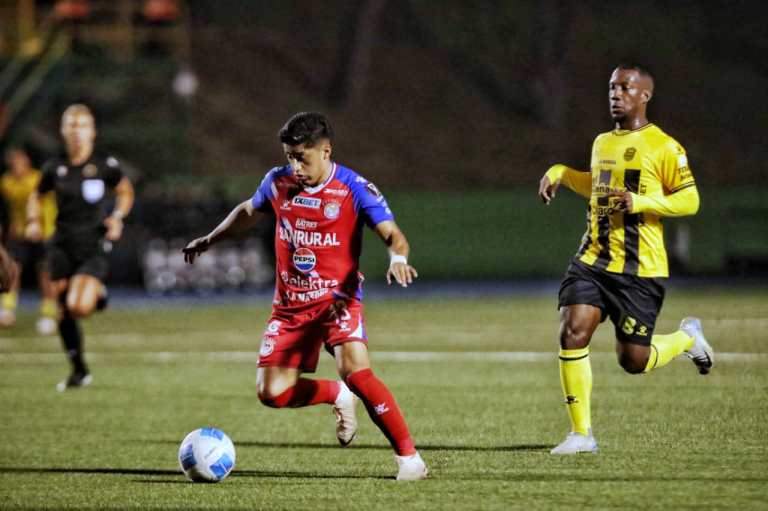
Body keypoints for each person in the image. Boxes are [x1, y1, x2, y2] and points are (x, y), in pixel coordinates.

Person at [183, 112, 428, 481]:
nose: (294, 166)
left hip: (337, 303)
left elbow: (393, 234)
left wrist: (398, 257)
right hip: (290, 310)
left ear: (326, 150)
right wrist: (209, 239)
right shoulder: (277, 182)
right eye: (289, 156)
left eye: (302, 157)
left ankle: (410, 460)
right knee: (273, 394)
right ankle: (336, 394)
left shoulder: (355, 188)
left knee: (358, 371)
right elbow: (249, 211)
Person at [538, 64, 714, 454]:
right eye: (612, 87)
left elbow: (691, 200)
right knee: (573, 330)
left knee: (633, 361)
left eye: (625, 87)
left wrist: (640, 201)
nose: (615, 94)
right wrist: (560, 173)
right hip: (593, 259)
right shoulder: (603, 141)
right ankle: (581, 434)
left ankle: (687, 338)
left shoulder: (665, 147)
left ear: (644, 95)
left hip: (640, 270)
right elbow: (596, 184)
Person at [26, 104, 134, 391]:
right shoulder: (55, 167)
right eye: (71, 125)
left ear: (93, 131)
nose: (76, 131)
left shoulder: (104, 164)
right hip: (62, 244)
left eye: (82, 125)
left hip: (93, 244)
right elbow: (36, 196)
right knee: (63, 310)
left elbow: (125, 191)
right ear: (63, 131)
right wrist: (34, 220)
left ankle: (98, 294)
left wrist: (117, 217)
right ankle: (79, 371)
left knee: (78, 306)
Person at [0, 146, 58, 333]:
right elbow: (12, 209)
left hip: (45, 231)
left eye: (19, 160)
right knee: (13, 268)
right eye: (12, 162)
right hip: (21, 234)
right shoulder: (6, 182)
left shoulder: (38, 179)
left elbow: (47, 205)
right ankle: (7, 308)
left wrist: (41, 226)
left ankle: (48, 313)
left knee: (45, 272)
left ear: (27, 161)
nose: (16, 165)